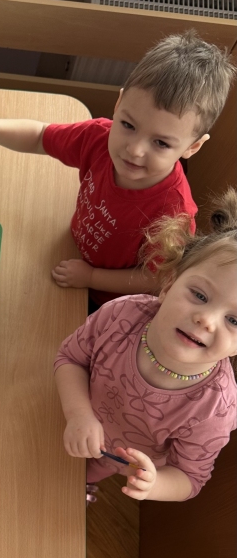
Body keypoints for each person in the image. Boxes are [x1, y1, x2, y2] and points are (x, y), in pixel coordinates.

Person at [0, 32, 236, 307]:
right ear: (118, 103)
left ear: (192, 147)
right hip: (69, 251)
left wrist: (91, 277)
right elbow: (39, 136)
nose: (134, 149)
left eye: (160, 143)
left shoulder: (174, 213)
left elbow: (155, 278)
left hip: (108, 300)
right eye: (128, 125)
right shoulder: (97, 138)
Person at [54, 189, 237, 502]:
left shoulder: (215, 410)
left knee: (70, 480)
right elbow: (70, 358)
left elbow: (190, 477)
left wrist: (154, 485)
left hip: (111, 460)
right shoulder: (123, 314)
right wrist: (78, 415)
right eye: (200, 295)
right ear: (169, 282)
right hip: (66, 405)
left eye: (234, 320)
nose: (206, 320)